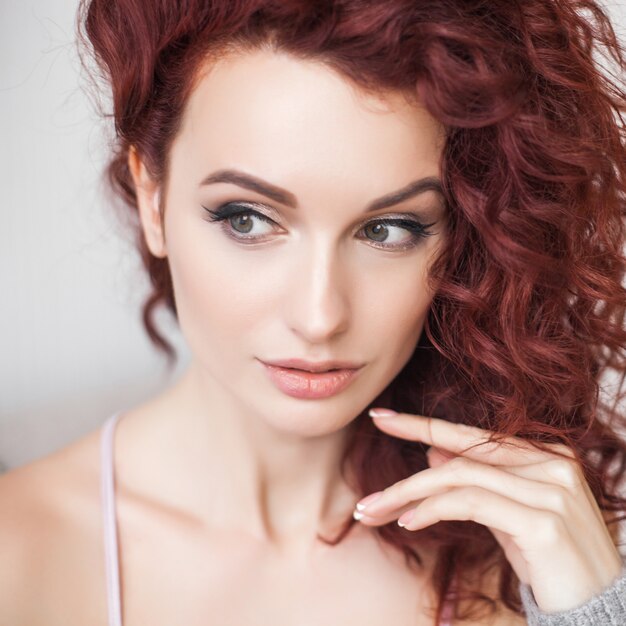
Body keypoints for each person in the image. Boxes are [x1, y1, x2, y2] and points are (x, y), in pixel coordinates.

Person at [1, 0, 626, 624]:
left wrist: (594, 610)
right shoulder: (20, 552)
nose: (320, 315)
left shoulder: (532, 555)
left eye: (388, 230)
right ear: (152, 198)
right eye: (246, 219)